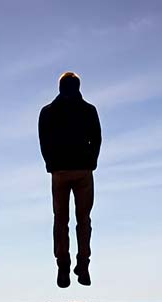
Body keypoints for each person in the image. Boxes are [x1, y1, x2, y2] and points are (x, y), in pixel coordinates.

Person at [38, 72, 102, 288]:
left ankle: (63, 267)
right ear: (78, 86)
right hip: (83, 171)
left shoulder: (47, 112)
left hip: (60, 172)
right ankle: (83, 267)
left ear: (60, 88)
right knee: (83, 221)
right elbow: (97, 138)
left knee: (60, 221)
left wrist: (51, 165)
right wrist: (91, 162)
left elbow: (44, 141)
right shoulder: (88, 110)